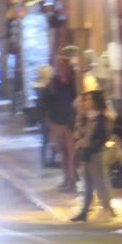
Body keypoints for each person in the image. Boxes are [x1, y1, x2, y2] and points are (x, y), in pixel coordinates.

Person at [70, 90, 115, 222]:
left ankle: (108, 208)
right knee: (88, 185)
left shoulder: (103, 118)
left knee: (101, 182)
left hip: (96, 154)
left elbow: (103, 136)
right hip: (86, 154)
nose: (87, 102)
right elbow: (78, 134)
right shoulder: (85, 117)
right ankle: (84, 211)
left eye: (90, 99)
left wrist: (88, 144)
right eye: (86, 99)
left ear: (96, 101)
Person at [47, 58, 79, 190]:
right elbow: (48, 101)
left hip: (71, 123)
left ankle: (72, 181)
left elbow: (78, 99)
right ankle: (67, 178)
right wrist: (49, 121)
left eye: (63, 66)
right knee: (63, 153)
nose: (61, 69)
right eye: (59, 66)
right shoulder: (54, 83)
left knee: (72, 153)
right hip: (57, 122)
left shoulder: (74, 82)